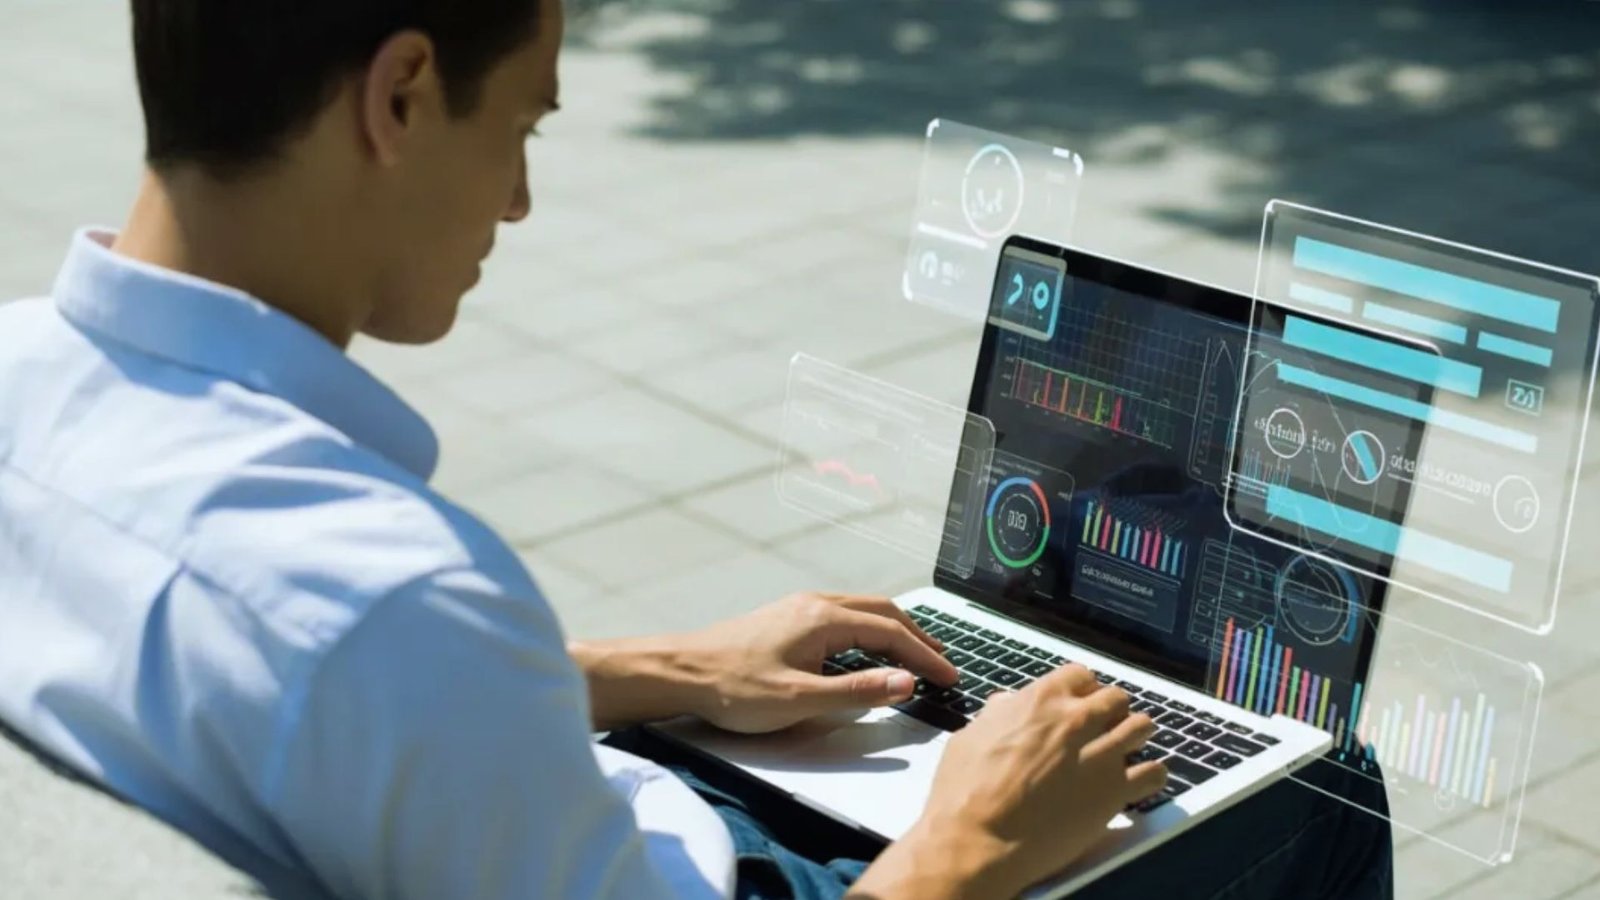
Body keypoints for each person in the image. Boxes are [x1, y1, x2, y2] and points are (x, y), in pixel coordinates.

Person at [0, 1, 1393, 898]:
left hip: (569, 810)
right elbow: (370, 657)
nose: (524, 200)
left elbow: (322, 694)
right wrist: (971, 839)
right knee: (1329, 790)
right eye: (524, 124)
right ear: (403, 93)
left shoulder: (18, 382)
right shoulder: (394, 600)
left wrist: (668, 674)